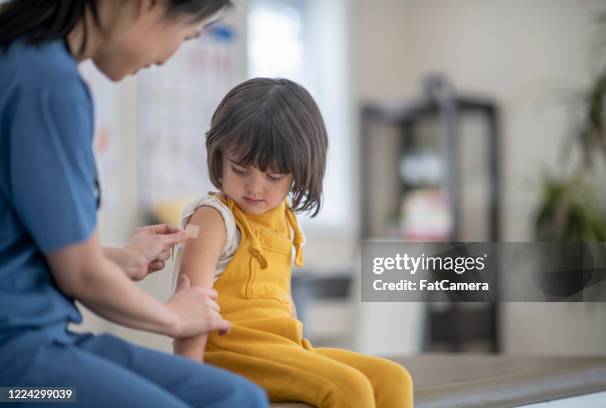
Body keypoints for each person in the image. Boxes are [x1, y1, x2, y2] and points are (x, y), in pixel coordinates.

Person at [0, 1, 268, 406]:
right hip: (17, 369)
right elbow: (81, 276)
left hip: (43, 338)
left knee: (239, 397)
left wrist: (115, 257)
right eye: (186, 35)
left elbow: (33, 251)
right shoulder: (47, 83)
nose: (166, 58)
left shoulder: (33, 64)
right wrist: (177, 317)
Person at [172, 77, 414, 407]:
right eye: (240, 170)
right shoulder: (213, 218)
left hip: (281, 348)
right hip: (228, 354)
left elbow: (281, 299)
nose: (254, 187)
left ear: (299, 172)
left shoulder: (282, 215)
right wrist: (190, 379)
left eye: (273, 177)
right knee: (349, 388)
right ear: (218, 156)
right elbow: (189, 305)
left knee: (393, 378)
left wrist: (302, 353)